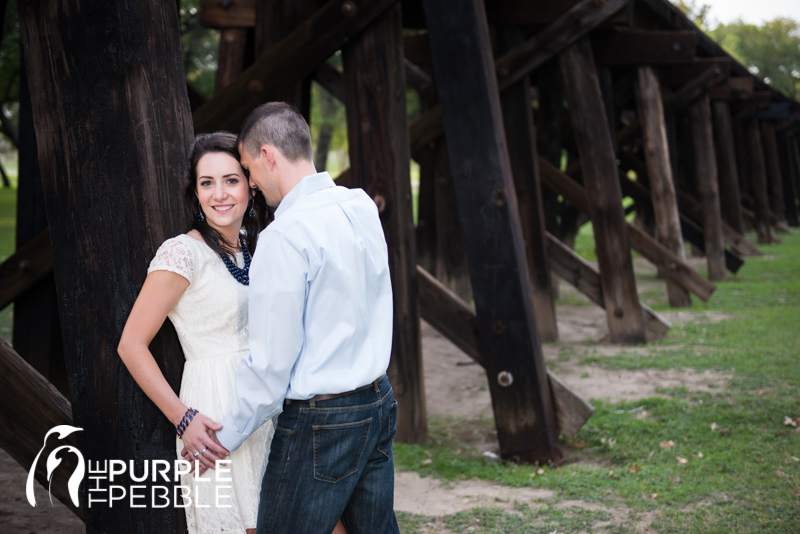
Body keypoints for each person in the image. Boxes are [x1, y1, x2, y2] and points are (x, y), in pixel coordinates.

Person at [211, 102, 400, 534]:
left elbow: (272, 363)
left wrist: (225, 437)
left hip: (323, 420)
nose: (251, 184)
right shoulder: (360, 206)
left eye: (247, 169)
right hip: (378, 400)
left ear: (268, 157)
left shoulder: (285, 236)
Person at [117, 132, 273, 534]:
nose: (219, 194)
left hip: (262, 407)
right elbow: (131, 344)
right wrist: (182, 418)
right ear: (196, 193)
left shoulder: (250, 247)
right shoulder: (182, 253)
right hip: (214, 410)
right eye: (207, 183)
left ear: (250, 186)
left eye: (231, 180)